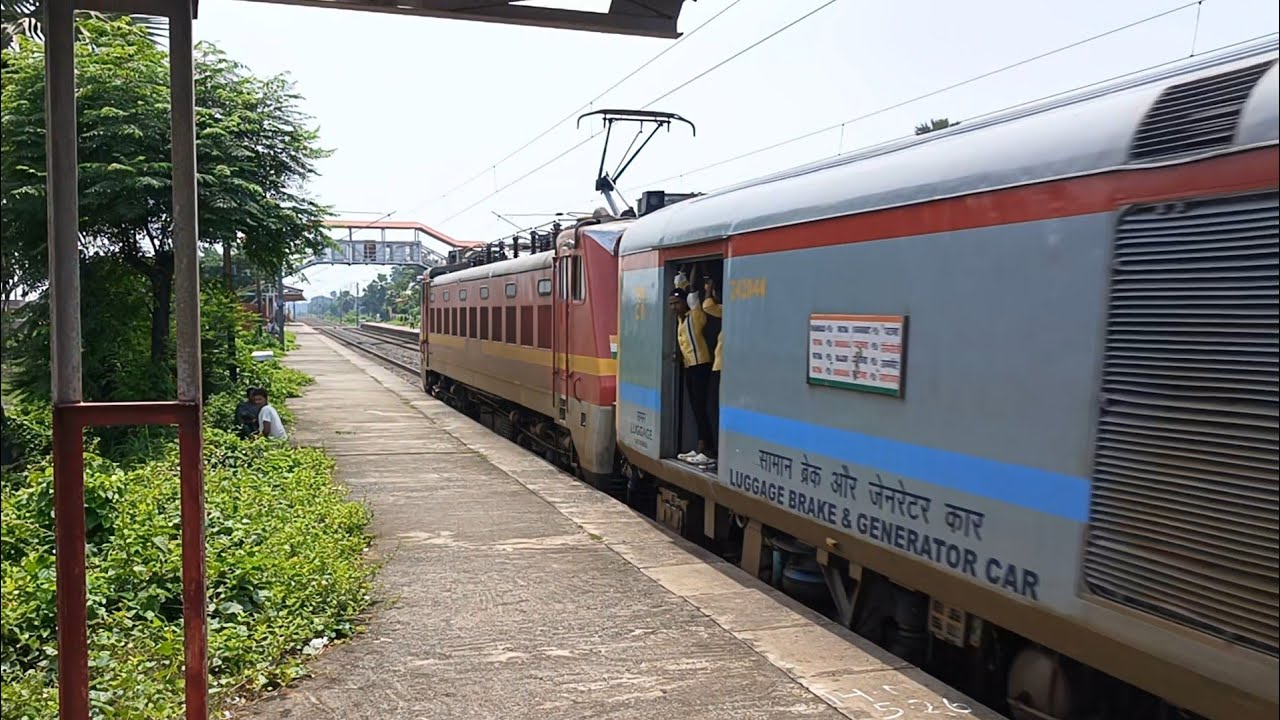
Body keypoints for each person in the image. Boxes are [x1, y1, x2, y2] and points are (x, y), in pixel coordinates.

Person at [668, 286, 714, 467]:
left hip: (700, 365)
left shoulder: (695, 315)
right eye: (671, 304)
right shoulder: (681, 320)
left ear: (684, 303)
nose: (673, 307)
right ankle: (700, 446)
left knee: (701, 408)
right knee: (695, 408)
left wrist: (699, 280)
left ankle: (706, 449)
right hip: (690, 366)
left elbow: (693, 294)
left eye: (676, 303)